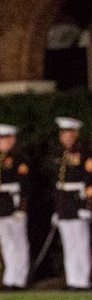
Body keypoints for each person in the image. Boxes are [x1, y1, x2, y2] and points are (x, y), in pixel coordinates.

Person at [52, 117, 92, 290]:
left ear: (75, 133)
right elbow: (59, 185)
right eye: (62, 133)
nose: (64, 136)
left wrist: (87, 206)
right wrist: (57, 210)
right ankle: (72, 280)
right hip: (64, 204)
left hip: (77, 203)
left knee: (81, 243)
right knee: (69, 244)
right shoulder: (60, 154)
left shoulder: (84, 153)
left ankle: (83, 280)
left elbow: (89, 181)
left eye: (68, 132)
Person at [0, 124, 30, 290]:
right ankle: (10, 278)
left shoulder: (19, 159)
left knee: (18, 243)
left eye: (4, 138)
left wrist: (21, 208)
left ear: (12, 139)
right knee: (7, 244)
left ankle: (19, 279)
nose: (0, 141)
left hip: (14, 206)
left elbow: (25, 185)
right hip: (1, 206)